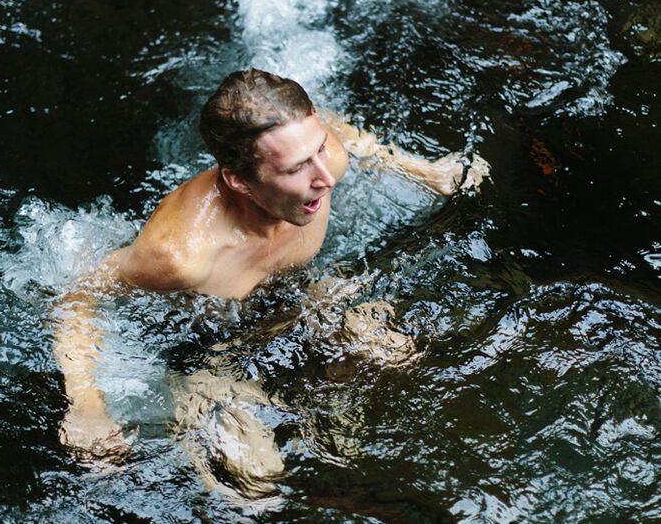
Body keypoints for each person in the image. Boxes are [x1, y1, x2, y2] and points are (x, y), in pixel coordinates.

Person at [52, 68, 488, 459]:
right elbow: (77, 298)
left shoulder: (324, 160)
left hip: (292, 300)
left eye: (318, 149)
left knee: (391, 351)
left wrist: (418, 169)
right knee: (255, 480)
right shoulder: (180, 255)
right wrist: (86, 406)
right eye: (298, 167)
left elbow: (331, 131)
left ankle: (324, 444)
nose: (327, 177)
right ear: (239, 180)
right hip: (206, 347)